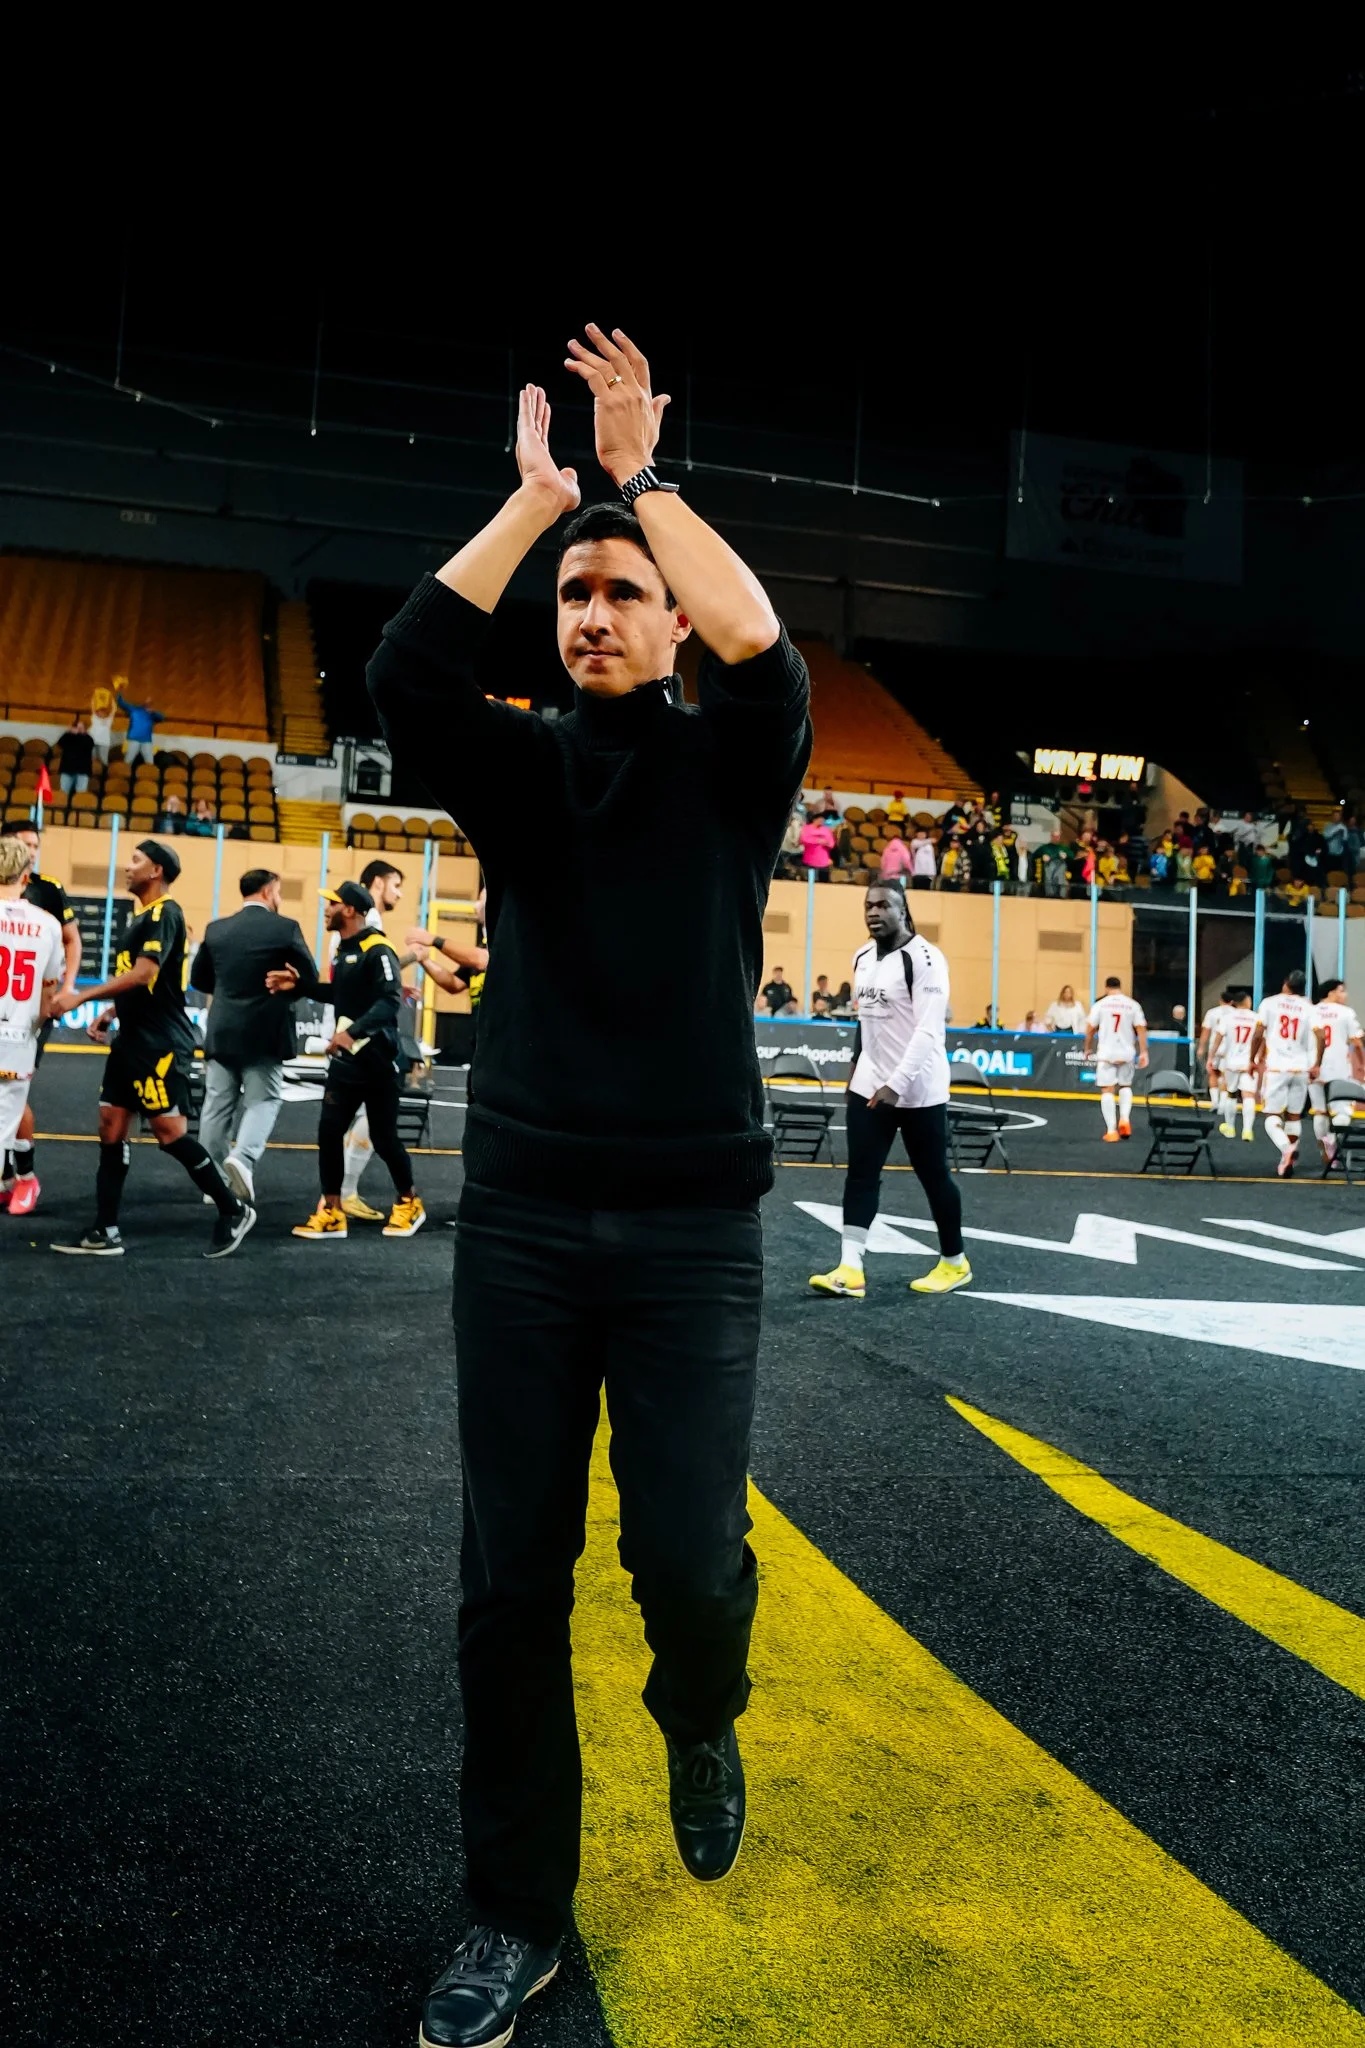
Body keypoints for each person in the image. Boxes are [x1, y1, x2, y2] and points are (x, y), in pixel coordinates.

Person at [366, 334, 812, 2047]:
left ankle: (704, 1711)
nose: (595, 612)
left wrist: (644, 483)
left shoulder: (731, 761)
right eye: (575, 597)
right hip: (534, 1224)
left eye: (623, 592)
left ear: (669, 616)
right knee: (509, 1577)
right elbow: (409, 673)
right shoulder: (516, 760)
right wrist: (541, 501)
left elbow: (765, 646)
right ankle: (512, 1909)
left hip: (697, 1231)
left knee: (690, 1556)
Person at [48, 840, 254, 1258]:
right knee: (110, 1126)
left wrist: (82, 998)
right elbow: (139, 981)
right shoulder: (141, 917)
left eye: (136, 861)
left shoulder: (166, 913)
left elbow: (144, 975)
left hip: (159, 1043)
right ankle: (105, 1230)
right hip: (132, 1040)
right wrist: (111, 1010)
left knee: (169, 1134)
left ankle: (233, 1210)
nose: (128, 867)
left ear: (156, 870)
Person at [809, 878, 969, 1301]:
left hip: (919, 1090)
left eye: (883, 905)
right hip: (870, 1087)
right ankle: (850, 1268)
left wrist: (897, 1084)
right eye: (868, 905)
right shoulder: (861, 955)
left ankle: (955, 1262)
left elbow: (928, 1032)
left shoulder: (927, 960)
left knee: (934, 1176)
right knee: (861, 1173)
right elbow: (867, 1023)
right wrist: (856, 1075)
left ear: (904, 910)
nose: (873, 912)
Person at [267, 880, 424, 1239]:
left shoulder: (377, 948)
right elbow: (341, 994)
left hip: (379, 1062)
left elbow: (388, 1001)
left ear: (350, 910)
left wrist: (350, 1034)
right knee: (329, 1132)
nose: (326, 909)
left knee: (385, 1139)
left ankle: (408, 1201)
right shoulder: (344, 949)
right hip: (347, 1065)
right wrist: (302, 986)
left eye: (332, 903)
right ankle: (332, 1212)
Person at [190, 869, 318, 1204]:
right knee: (264, 1100)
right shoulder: (285, 928)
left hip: (221, 1029)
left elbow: (199, 978)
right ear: (269, 890)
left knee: (216, 1106)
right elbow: (310, 977)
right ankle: (243, 1161)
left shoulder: (216, 929)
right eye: (278, 892)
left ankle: (213, 1180)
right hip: (264, 1031)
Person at [0, 826, 82, 1214]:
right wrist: (52, 1003)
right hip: (20, 1029)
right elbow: (49, 985)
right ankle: (15, 1179)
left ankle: (22, 1179)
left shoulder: (51, 897)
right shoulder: (44, 923)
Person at [332, 859, 407, 1222]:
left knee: (354, 1125)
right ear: (377, 884)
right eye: (396, 885)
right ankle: (344, 1194)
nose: (399, 893)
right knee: (373, 1127)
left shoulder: (364, 935)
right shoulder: (369, 926)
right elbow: (379, 987)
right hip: (363, 1041)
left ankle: (338, 1198)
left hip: (356, 1035)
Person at [1249, 968, 1316, 1177]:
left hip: (1278, 1066)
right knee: (1294, 1116)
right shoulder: (1308, 1006)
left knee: (1271, 1114)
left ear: (1286, 982)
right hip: (1301, 1066)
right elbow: (1320, 1036)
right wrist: (1317, 1063)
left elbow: (1259, 1033)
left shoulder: (1270, 1003)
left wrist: (1251, 1059)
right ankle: (1287, 1161)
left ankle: (1285, 1148)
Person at [1083, 975, 1149, 1142]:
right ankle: (1125, 1118)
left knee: (1107, 1089)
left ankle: (1111, 1130)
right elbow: (1141, 1029)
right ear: (1120, 987)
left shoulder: (1100, 1005)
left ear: (1106, 988)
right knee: (1125, 1086)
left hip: (1107, 1052)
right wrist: (1143, 1051)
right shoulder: (1132, 1005)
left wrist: (1087, 1048)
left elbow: (1090, 1028)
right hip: (1126, 1051)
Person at [1311, 977, 1365, 1163]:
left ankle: (1324, 1145)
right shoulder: (1345, 1013)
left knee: (1319, 1110)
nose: (1345, 995)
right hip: (1338, 1067)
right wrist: (1362, 1064)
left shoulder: (1311, 1011)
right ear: (1331, 992)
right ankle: (1332, 1143)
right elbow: (1357, 1042)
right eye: (1342, 991)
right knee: (1342, 1110)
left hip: (1315, 1066)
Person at [1210, 989, 1258, 1140]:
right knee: (1248, 1096)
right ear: (1246, 1001)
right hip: (1249, 1062)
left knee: (1231, 1094)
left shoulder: (1228, 1017)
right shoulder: (1256, 1018)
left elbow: (1218, 1037)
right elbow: (1260, 1038)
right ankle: (1247, 1130)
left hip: (1231, 1062)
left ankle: (1230, 1128)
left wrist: (1211, 1056)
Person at [116, 686, 165, 765]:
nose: (148, 703)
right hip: (133, 739)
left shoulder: (152, 714)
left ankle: (149, 777)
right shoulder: (134, 709)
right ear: (144, 702)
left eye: (150, 702)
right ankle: (124, 775)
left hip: (146, 741)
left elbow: (162, 718)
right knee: (128, 761)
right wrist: (119, 692)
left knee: (149, 763)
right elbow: (121, 703)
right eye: (147, 701)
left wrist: (154, 712)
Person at [57, 716, 95, 795]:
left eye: (81, 728)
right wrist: (68, 732)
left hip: (82, 770)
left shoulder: (88, 738)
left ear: (85, 729)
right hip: (67, 768)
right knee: (63, 793)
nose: (79, 729)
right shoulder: (68, 736)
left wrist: (79, 734)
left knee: (81, 794)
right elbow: (60, 743)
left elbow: (87, 745)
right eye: (77, 727)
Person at [799, 810, 835, 879]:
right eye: (820, 819)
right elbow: (803, 839)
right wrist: (817, 840)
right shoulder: (807, 828)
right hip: (810, 859)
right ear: (814, 819)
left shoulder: (826, 830)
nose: (821, 821)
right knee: (809, 879)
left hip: (823, 860)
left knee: (823, 880)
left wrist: (825, 842)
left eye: (822, 819)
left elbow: (831, 843)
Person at [89, 685, 116, 765]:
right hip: (92, 741)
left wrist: (111, 698)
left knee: (104, 761)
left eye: (102, 711)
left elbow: (114, 709)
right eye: (99, 711)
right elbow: (93, 706)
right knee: (92, 759)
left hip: (104, 742)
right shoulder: (95, 718)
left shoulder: (109, 720)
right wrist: (94, 696)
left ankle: (103, 775)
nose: (100, 713)